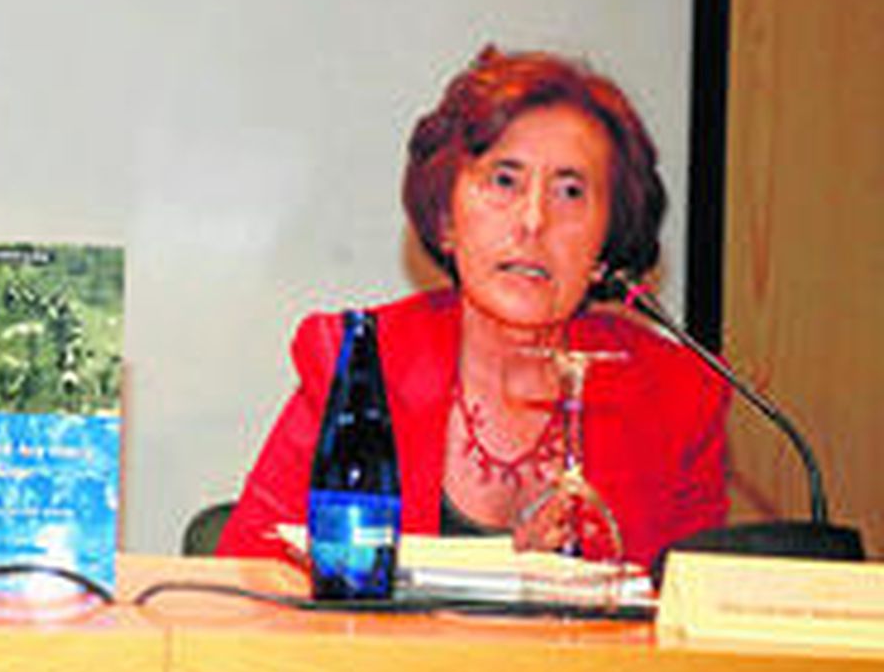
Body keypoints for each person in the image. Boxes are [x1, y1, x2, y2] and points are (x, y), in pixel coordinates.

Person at [217, 46, 727, 570]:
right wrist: (501, 574)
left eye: (570, 191)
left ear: (606, 242)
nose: (533, 221)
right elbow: (251, 573)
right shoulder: (361, 363)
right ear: (445, 219)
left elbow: (690, 625)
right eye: (504, 181)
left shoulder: (679, 399)